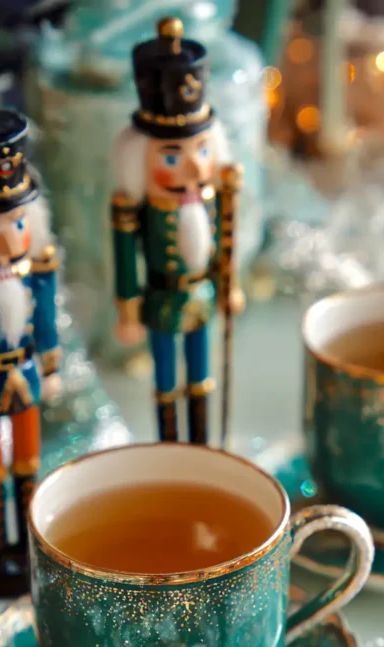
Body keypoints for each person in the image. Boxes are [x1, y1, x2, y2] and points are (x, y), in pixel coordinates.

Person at [111, 17, 243, 444]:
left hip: (201, 296)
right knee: (166, 381)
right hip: (162, 300)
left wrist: (229, 284)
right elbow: (125, 259)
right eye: (172, 157)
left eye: (202, 150)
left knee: (201, 377)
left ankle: (202, 444)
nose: (194, 166)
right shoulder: (138, 210)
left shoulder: (213, 198)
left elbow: (226, 240)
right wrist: (127, 310)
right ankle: (171, 446)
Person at [0, 91, 61, 596]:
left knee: (28, 461)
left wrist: (49, 364)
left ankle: (27, 545)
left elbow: (45, 321)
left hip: (23, 371)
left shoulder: (35, 270)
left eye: (18, 225)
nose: (6, 242)